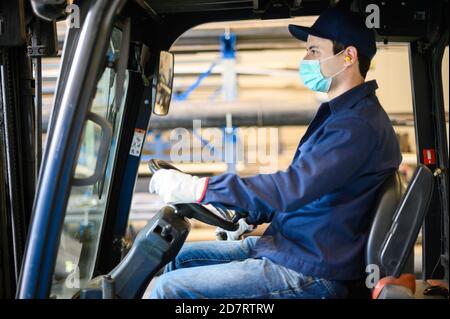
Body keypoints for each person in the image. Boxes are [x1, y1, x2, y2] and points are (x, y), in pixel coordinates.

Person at [147, 7, 402, 299]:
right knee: (177, 258)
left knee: (169, 289)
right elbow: (308, 187)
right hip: (291, 246)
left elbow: (292, 187)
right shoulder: (342, 116)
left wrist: (198, 187)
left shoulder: (357, 126)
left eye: (314, 52)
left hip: (311, 270)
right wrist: (250, 213)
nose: (305, 60)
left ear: (348, 57)